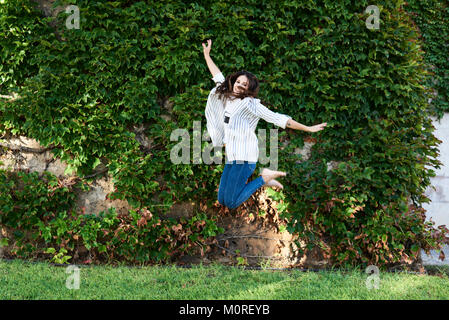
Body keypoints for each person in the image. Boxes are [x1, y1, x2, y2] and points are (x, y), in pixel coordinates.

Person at [202, 39, 327, 210]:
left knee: (231, 203)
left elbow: (280, 119)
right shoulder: (227, 96)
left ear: (249, 88)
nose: (239, 85)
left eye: (244, 84)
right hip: (233, 154)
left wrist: (308, 128)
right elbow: (217, 76)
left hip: (245, 157)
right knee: (222, 198)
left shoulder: (252, 105)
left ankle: (264, 178)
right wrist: (206, 54)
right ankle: (265, 181)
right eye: (238, 82)